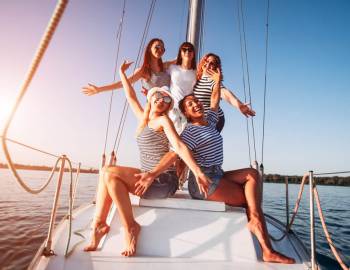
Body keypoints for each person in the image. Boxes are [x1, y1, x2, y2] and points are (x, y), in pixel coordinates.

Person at [83, 60, 211, 257]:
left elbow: (177, 147)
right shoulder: (143, 119)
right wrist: (121, 73)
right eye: (158, 96)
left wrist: (197, 171)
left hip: (163, 180)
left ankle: (129, 228)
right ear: (151, 99)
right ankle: (100, 226)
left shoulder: (163, 120)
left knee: (108, 172)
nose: (162, 100)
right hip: (146, 176)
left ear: (169, 105)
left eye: (167, 99)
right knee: (107, 175)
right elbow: (130, 95)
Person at [177, 66, 295, 264]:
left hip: (218, 174)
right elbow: (178, 156)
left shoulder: (211, 121)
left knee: (252, 174)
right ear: (186, 113)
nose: (196, 104)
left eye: (196, 100)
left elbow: (214, 99)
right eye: (190, 104)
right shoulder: (189, 132)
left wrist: (217, 80)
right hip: (203, 182)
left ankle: (256, 224)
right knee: (250, 202)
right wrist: (169, 177)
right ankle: (267, 249)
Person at [82, 38, 174, 96]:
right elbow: (122, 83)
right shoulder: (143, 71)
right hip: (155, 110)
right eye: (157, 47)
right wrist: (99, 89)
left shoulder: (165, 66)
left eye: (163, 48)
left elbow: (182, 57)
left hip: (172, 106)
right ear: (149, 49)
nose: (160, 49)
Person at [194, 53, 256, 132]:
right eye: (206, 61)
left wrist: (239, 105)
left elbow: (225, 93)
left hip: (214, 119)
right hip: (198, 119)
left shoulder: (213, 80)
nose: (208, 64)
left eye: (212, 63)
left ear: (215, 68)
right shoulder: (194, 78)